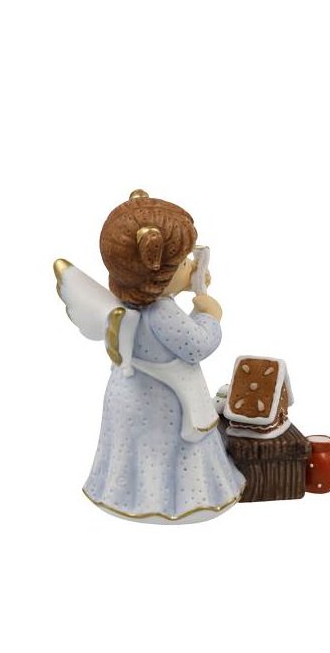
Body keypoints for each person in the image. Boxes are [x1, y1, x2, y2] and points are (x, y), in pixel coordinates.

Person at [81, 190, 245, 523]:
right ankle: (175, 502)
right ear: (155, 271)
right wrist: (210, 314)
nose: (191, 266)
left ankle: (126, 494)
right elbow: (196, 346)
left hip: (128, 396)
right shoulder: (162, 313)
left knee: (135, 452)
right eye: (183, 263)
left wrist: (187, 283)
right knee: (169, 453)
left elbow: (170, 330)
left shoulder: (126, 302)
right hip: (164, 402)